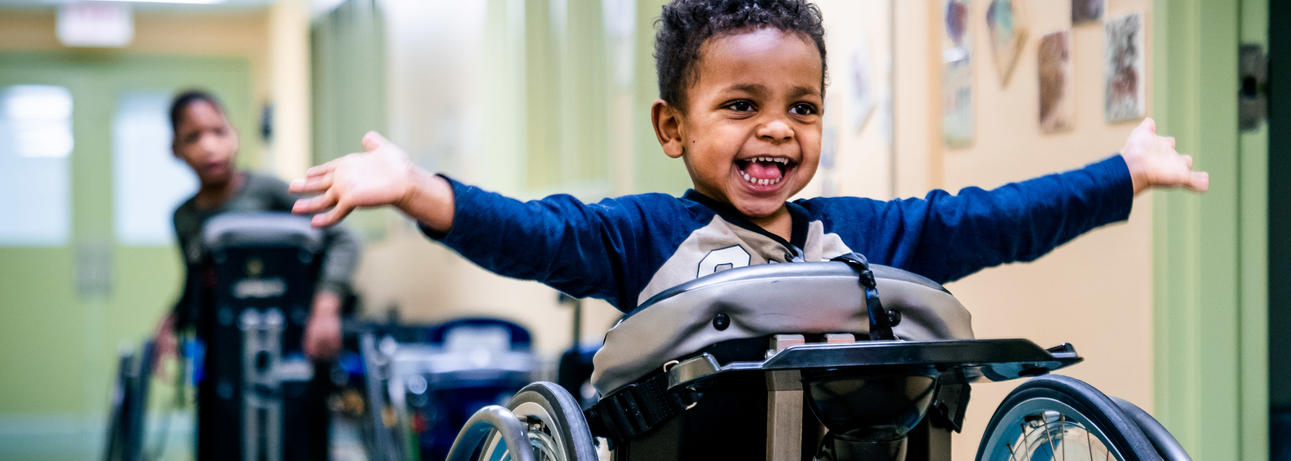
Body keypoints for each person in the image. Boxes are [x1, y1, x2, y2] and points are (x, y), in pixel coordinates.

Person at [289, 0, 1205, 317]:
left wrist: (1117, 174)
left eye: (801, 108)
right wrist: (417, 189)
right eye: (741, 106)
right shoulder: (642, 236)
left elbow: (996, 218)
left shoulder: (861, 235)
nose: (777, 129)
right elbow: (534, 235)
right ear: (671, 128)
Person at [152, 89, 359, 461]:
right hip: (222, 357)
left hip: (294, 343)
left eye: (218, 131)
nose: (209, 146)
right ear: (176, 151)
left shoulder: (271, 191)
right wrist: (168, 325)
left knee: (300, 440)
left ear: (235, 135)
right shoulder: (185, 218)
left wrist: (327, 305)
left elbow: (343, 239)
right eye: (192, 137)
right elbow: (196, 285)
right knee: (217, 446)